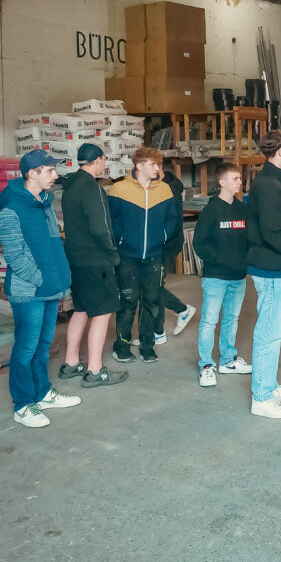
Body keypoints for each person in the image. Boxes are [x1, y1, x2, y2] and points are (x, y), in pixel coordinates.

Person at [0, 149, 80, 428]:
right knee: (26, 348)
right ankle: (23, 404)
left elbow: (54, 243)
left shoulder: (44, 203)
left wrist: (60, 277)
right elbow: (14, 254)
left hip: (49, 288)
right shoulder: (12, 208)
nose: (55, 175)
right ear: (32, 173)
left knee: (44, 345)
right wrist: (39, 279)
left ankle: (42, 393)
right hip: (29, 291)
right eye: (50, 170)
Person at [58, 143, 128, 388]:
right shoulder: (92, 188)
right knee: (102, 312)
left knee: (81, 309)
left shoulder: (70, 186)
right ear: (98, 160)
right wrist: (112, 254)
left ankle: (70, 363)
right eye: (104, 161)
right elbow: (101, 228)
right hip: (95, 260)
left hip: (75, 258)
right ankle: (95, 370)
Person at [245, 129, 281, 419]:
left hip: (278, 266)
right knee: (268, 332)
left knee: (275, 331)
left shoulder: (278, 180)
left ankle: (269, 384)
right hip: (271, 267)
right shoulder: (268, 184)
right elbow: (274, 232)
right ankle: (262, 397)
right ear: (279, 151)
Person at [108, 146, 179, 364]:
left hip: (154, 255)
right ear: (139, 165)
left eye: (159, 164)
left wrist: (162, 236)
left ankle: (148, 346)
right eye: (153, 164)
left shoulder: (164, 190)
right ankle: (122, 346)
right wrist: (121, 240)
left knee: (152, 302)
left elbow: (172, 218)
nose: (158, 168)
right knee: (128, 302)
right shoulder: (119, 189)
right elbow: (112, 221)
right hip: (127, 256)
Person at [192, 163, 251, 387]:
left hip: (238, 277)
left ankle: (228, 360)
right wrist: (220, 260)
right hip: (216, 277)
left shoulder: (242, 210)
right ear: (222, 182)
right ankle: (206, 366)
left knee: (231, 319)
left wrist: (243, 262)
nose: (239, 182)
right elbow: (200, 244)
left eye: (240, 178)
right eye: (235, 179)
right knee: (209, 320)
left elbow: (249, 240)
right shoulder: (211, 211)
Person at [156, 169, 197, 344]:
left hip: (166, 245)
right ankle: (157, 332)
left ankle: (181, 311)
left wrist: (159, 241)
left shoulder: (168, 190)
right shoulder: (166, 186)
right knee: (152, 285)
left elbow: (169, 223)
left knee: (154, 286)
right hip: (163, 244)